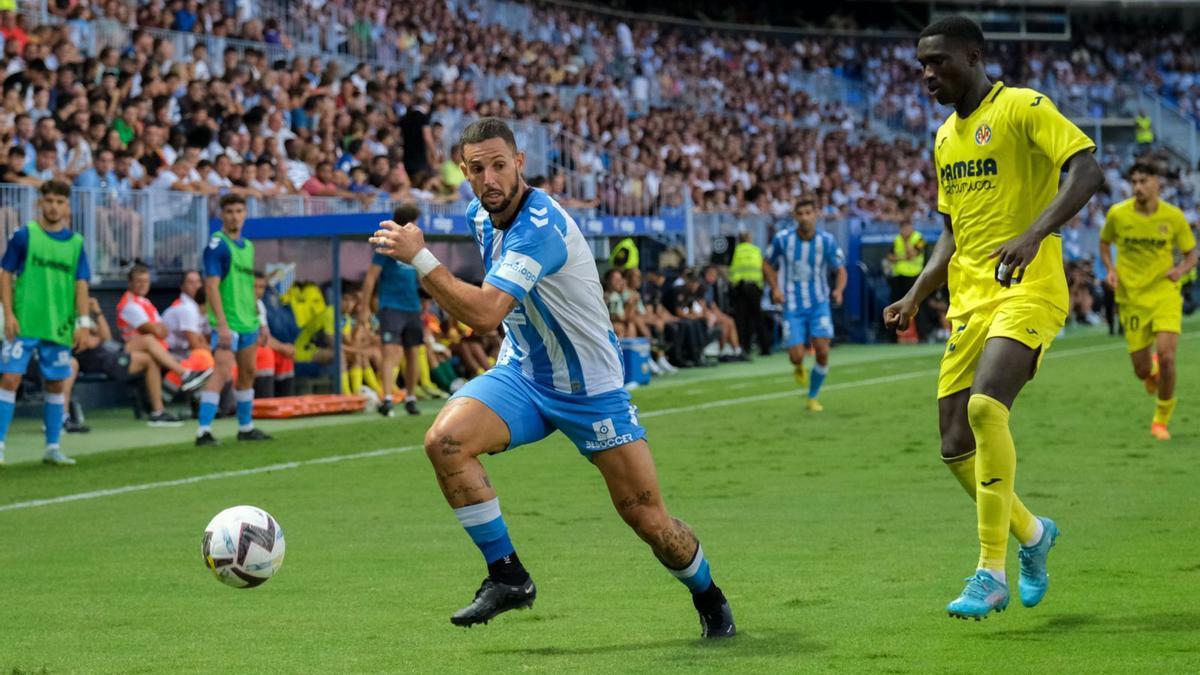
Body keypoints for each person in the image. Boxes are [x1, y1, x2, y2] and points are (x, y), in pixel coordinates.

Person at [370, 118, 735, 638]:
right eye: (478, 168)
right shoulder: (479, 213)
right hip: (523, 374)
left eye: (500, 164)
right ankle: (508, 576)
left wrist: (422, 260)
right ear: (466, 174)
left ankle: (710, 596)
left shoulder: (540, 226)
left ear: (520, 163)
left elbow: (485, 313)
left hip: (590, 388)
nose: (490, 177)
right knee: (445, 441)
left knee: (648, 518)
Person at [883, 16, 1105, 620]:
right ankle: (1034, 534)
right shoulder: (943, 139)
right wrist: (916, 294)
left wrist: (1035, 234)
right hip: (969, 300)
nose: (928, 75)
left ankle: (990, 571)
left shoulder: (1024, 107)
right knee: (955, 446)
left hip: (1030, 287)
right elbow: (950, 235)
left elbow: (1088, 169)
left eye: (939, 62)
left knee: (986, 409)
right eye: (922, 66)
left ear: (974, 57)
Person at [1099, 163, 1197, 441]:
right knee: (1142, 371)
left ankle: (1161, 420)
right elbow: (1105, 244)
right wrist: (1111, 269)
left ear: (1157, 184)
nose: (1138, 187)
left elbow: (1191, 254)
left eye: (1144, 181)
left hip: (1164, 293)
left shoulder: (1174, 217)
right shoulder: (1118, 214)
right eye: (1134, 181)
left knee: (1168, 357)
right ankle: (1149, 369)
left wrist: (1180, 270)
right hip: (1131, 298)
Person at [0, 181, 90, 466]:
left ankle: (52, 447)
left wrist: (83, 322)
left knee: (55, 384)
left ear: (67, 206)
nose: (54, 206)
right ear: (40, 203)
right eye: (48, 200)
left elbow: (81, 284)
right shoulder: (25, 235)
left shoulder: (76, 243)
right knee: (9, 379)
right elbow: (5, 273)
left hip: (58, 327)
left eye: (59, 202)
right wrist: (9, 313)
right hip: (24, 323)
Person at [196, 194, 273, 446]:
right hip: (228, 322)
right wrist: (221, 324)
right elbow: (211, 286)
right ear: (222, 215)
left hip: (248, 321)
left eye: (240, 211)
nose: (235, 216)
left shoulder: (247, 247)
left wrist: (261, 320)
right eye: (229, 211)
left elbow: (249, 287)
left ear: (245, 214)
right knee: (222, 371)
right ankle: (203, 431)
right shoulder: (217, 245)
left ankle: (245, 427)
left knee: (248, 372)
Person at [762, 197, 847, 412]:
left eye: (809, 213)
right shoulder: (783, 240)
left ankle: (812, 397)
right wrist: (775, 288)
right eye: (800, 214)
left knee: (822, 351)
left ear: (815, 214)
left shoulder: (826, 241)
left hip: (819, 303)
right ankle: (798, 366)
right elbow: (767, 263)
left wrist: (838, 290)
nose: (805, 217)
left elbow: (840, 269)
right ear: (795, 216)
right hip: (792, 305)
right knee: (796, 355)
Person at [359, 202, 424, 417]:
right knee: (390, 352)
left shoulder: (416, 248)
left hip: (412, 307)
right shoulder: (386, 246)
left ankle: (411, 398)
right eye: (414, 223)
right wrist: (364, 309)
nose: (417, 227)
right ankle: (387, 399)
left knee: (413, 353)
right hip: (391, 307)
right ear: (407, 223)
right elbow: (370, 278)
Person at [887, 212, 926, 338]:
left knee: (917, 307)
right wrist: (903, 257)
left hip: (914, 276)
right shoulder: (897, 239)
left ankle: (922, 335)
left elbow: (912, 255)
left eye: (907, 226)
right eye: (902, 227)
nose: (904, 230)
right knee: (894, 307)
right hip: (898, 276)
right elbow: (890, 257)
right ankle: (892, 337)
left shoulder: (918, 238)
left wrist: (906, 241)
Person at [728, 231, 766, 357]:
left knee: (741, 319)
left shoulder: (736, 250)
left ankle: (744, 347)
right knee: (758, 318)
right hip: (755, 287)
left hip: (740, 288)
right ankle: (765, 346)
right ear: (749, 238)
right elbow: (762, 267)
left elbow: (731, 269)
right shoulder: (756, 250)